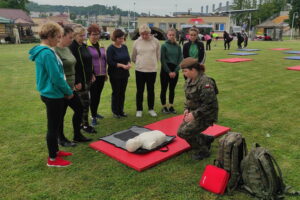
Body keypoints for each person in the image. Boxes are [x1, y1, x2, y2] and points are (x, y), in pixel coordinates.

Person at [29, 22, 73, 167]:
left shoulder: (47, 50)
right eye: (58, 37)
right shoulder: (46, 53)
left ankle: (56, 150)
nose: (59, 40)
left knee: (56, 124)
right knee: (53, 127)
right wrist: (68, 91)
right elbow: (56, 77)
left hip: (52, 93)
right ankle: (52, 159)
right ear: (49, 36)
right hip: (53, 94)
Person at [55, 26, 92, 147]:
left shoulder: (67, 49)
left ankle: (77, 135)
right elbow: (57, 72)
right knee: (61, 114)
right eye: (70, 37)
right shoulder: (55, 51)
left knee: (80, 108)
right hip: (61, 88)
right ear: (62, 36)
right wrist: (66, 87)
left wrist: (77, 81)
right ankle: (61, 138)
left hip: (71, 86)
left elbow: (74, 66)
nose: (72, 40)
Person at [177, 57, 218, 160]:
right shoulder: (190, 80)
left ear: (193, 70)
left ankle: (203, 151)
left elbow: (209, 104)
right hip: (195, 112)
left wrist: (194, 115)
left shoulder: (205, 83)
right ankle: (206, 139)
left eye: (185, 71)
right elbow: (189, 97)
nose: (183, 73)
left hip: (206, 115)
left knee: (184, 132)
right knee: (180, 131)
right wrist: (187, 108)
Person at [69, 25, 96, 134]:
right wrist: (77, 81)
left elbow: (89, 62)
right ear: (74, 36)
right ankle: (84, 125)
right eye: (81, 36)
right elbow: (73, 66)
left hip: (88, 79)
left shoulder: (84, 46)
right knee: (84, 103)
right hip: (80, 81)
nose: (83, 37)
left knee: (86, 102)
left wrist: (92, 73)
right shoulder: (72, 48)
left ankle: (83, 123)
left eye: (84, 35)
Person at [132, 24, 160, 117]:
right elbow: (133, 56)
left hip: (152, 70)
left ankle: (151, 109)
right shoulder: (136, 42)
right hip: (140, 70)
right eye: (142, 34)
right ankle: (139, 109)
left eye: (146, 34)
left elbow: (158, 55)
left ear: (149, 33)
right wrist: (140, 63)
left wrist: (153, 63)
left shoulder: (155, 42)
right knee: (140, 90)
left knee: (150, 90)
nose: (144, 36)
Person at [106, 29, 131, 118]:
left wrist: (128, 63)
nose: (121, 40)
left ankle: (121, 110)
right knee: (116, 92)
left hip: (124, 74)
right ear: (115, 38)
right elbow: (110, 62)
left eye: (123, 38)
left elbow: (128, 58)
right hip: (115, 74)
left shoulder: (124, 47)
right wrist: (121, 65)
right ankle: (115, 111)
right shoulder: (110, 49)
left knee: (122, 92)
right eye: (119, 38)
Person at [86, 24, 107, 126]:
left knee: (98, 95)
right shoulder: (86, 46)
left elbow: (104, 59)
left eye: (98, 34)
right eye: (94, 34)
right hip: (93, 76)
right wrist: (90, 74)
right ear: (89, 35)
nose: (96, 36)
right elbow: (86, 62)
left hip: (102, 75)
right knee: (93, 96)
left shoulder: (101, 45)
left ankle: (95, 112)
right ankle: (93, 116)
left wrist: (106, 73)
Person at [160, 28, 182, 114]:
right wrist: (169, 72)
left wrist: (175, 71)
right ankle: (164, 106)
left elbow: (181, 59)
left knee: (172, 89)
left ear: (175, 36)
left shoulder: (178, 46)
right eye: (170, 35)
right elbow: (163, 60)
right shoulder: (164, 45)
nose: (171, 36)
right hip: (166, 69)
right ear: (167, 35)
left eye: (173, 35)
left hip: (175, 69)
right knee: (164, 88)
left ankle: (171, 106)